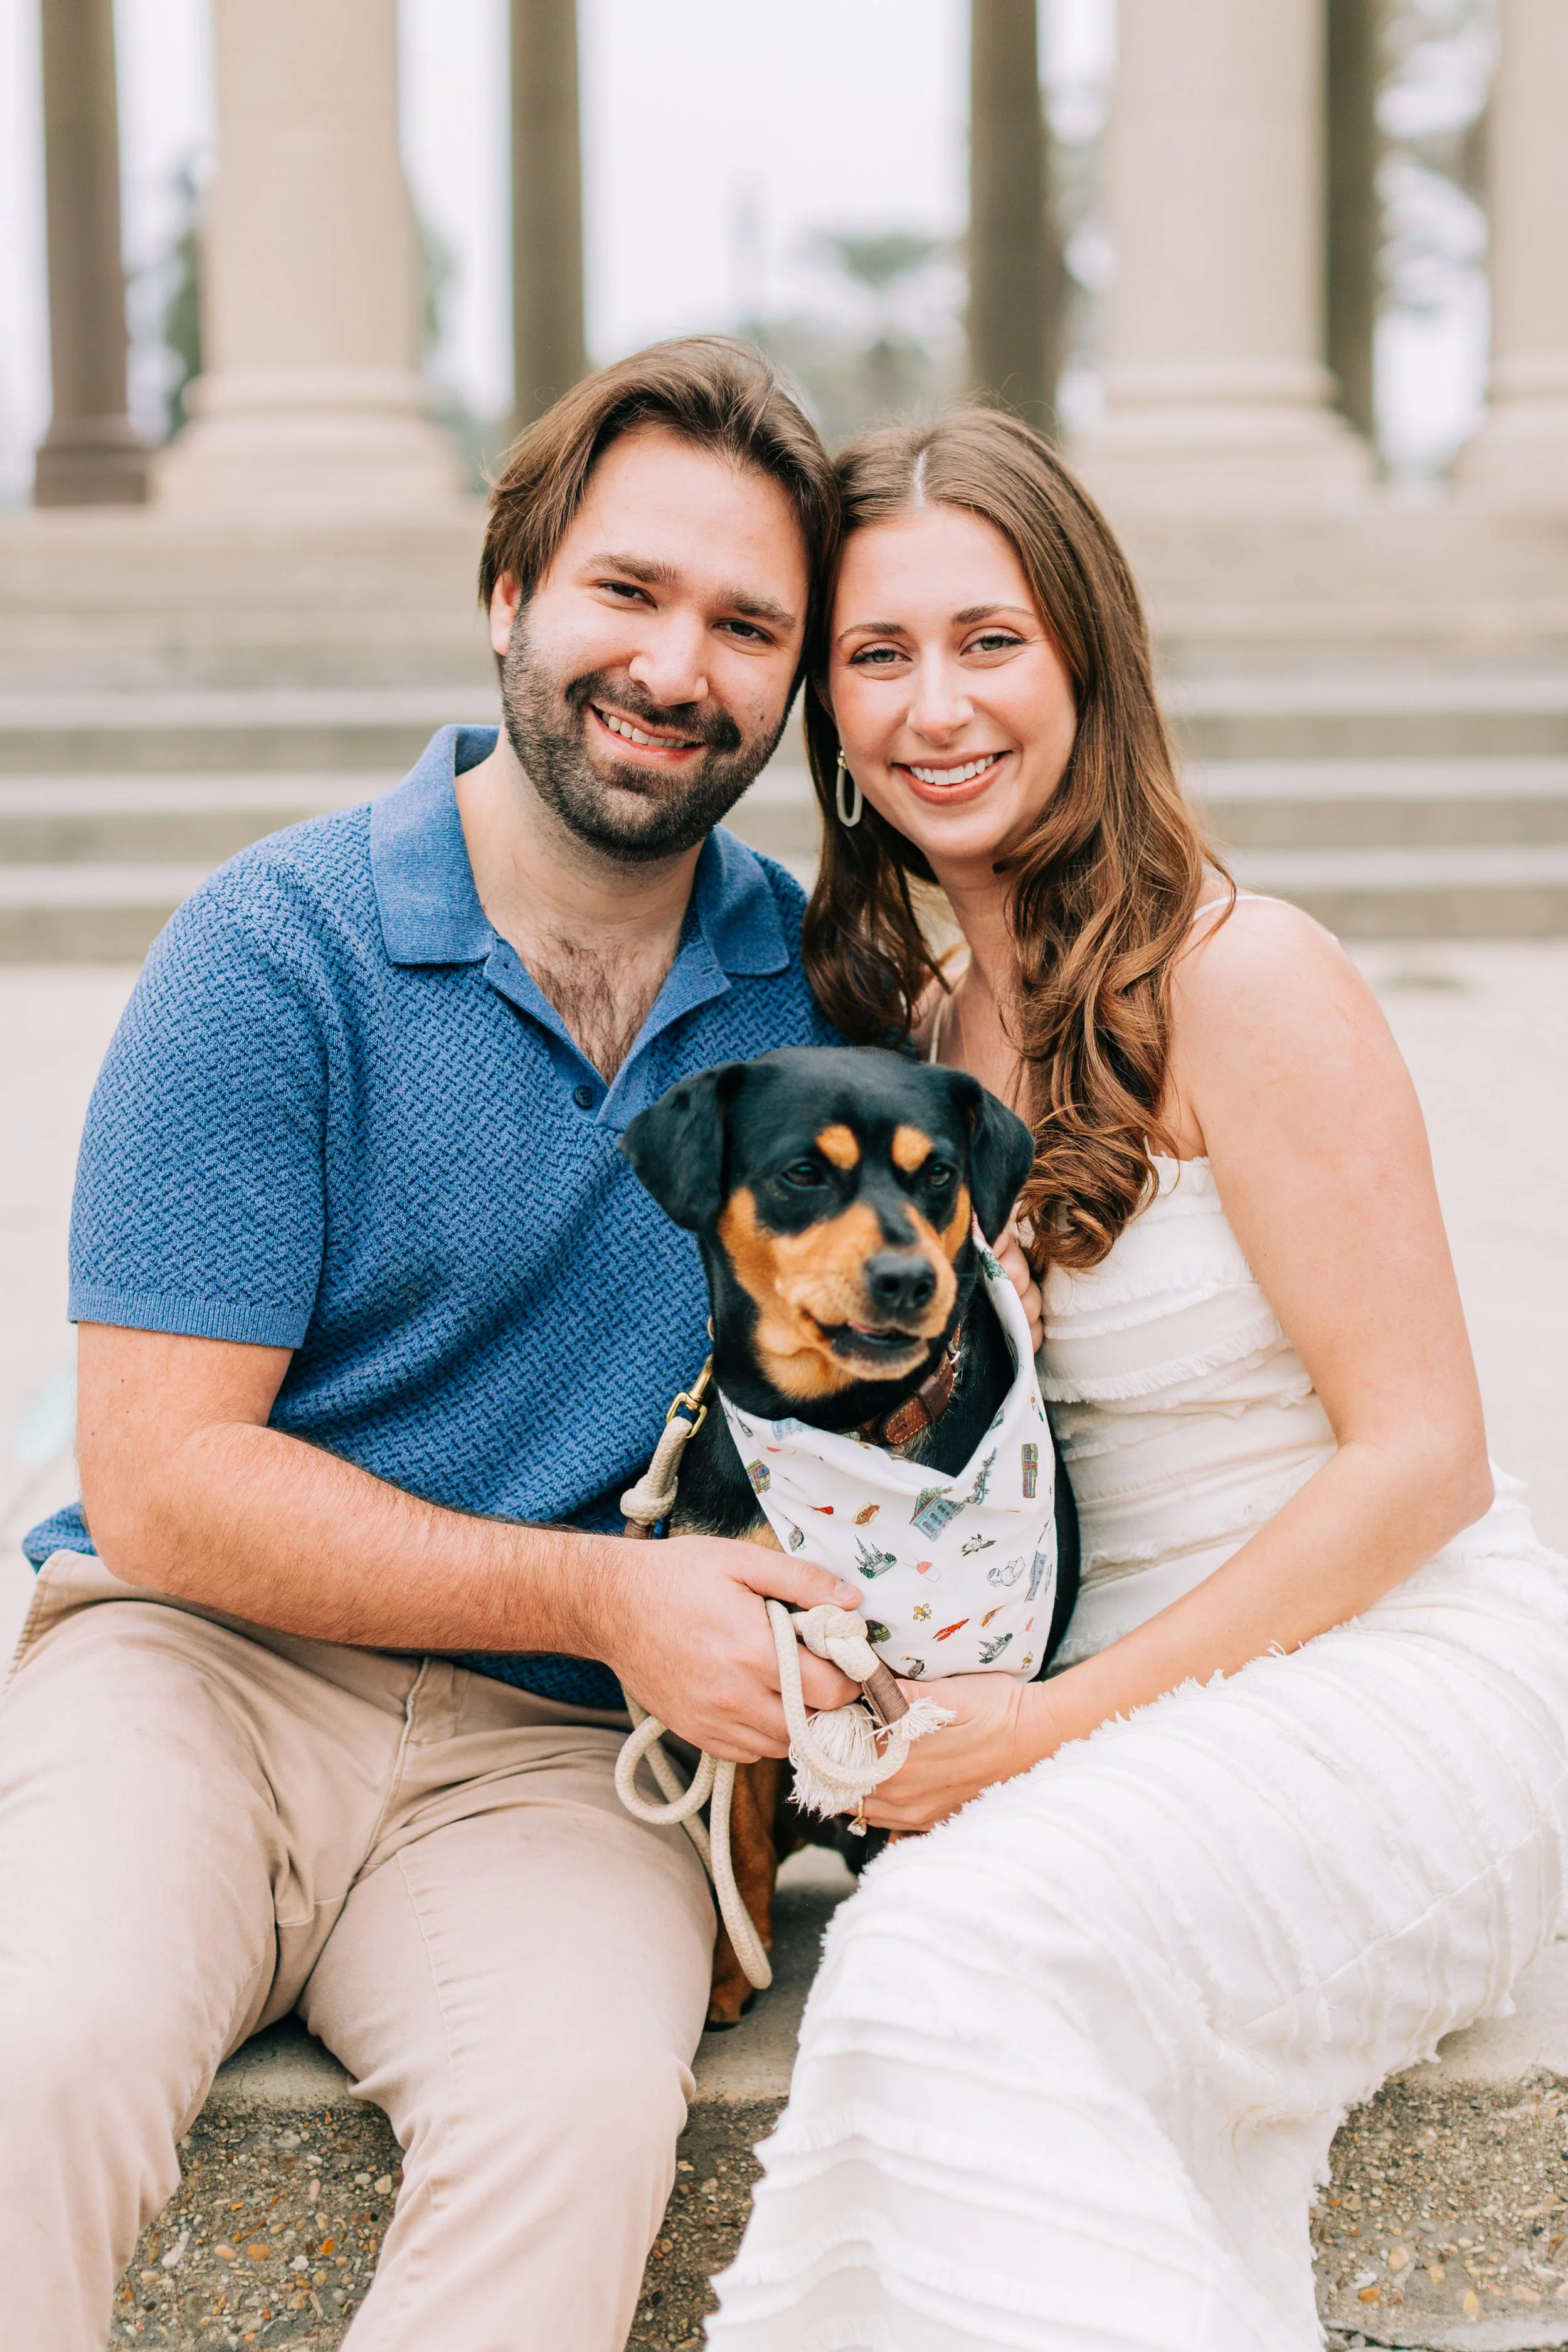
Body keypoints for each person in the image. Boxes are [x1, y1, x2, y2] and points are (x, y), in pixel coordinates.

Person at [0, 338, 879, 2352]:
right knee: (33, 2048)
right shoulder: (271, 944)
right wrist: (605, 1589)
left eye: (749, 625)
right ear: (510, 596)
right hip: (191, 1671)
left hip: (569, 1761)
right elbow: (159, 1475)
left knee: (575, 2124)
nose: (678, 667)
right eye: (629, 592)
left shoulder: (824, 998)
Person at [704, 408, 1568, 2351]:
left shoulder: (1243, 975)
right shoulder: (922, 1035)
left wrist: (1044, 1727)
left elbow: (1421, 1456)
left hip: (1385, 1673)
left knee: (938, 1964)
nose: (937, 703)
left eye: (989, 639)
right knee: (936, 1964)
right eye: (877, 654)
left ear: (1089, 656)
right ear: (827, 711)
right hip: (1107, 1711)